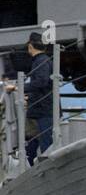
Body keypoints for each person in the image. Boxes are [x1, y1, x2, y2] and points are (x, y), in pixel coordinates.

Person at [3, 34, 55, 162]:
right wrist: (29, 97)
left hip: (43, 110)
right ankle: (29, 166)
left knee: (45, 144)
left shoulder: (41, 61)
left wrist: (17, 88)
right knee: (33, 141)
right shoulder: (43, 60)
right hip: (39, 109)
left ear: (30, 46)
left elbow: (41, 82)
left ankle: (39, 168)